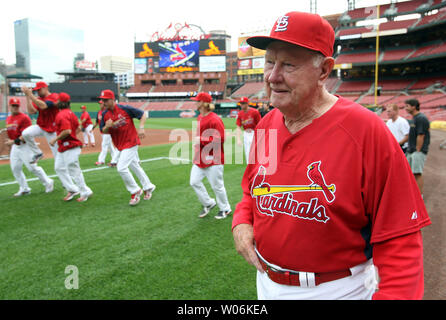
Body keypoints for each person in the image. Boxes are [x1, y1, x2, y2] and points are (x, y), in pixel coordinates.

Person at [232, 11, 430, 300]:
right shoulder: (267, 124)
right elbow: (252, 190)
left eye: (288, 64)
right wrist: (242, 220)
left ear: (324, 71)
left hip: (337, 290)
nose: (272, 76)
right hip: (266, 283)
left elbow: (400, 238)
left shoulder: (366, 131)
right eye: (270, 61)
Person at [99, 89, 155, 206]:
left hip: (131, 141)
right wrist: (108, 126)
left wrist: (141, 127)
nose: (103, 102)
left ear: (112, 99)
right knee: (135, 166)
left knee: (121, 167)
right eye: (102, 100)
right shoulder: (105, 114)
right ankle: (148, 186)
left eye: (106, 100)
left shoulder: (125, 108)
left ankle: (135, 191)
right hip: (120, 144)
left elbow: (142, 114)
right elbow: (102, 130)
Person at [190, 92, 231, 219]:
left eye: (197, 101)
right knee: (194, 181)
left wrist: (201, 140)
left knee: (217, 186)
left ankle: (225, 209)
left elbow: (220, 139)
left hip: (214, 158)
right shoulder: (200, 117)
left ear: (203, 103)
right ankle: (208, 203)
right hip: (200, 158)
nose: (195, 103)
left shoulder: (214, 119)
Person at [5, 97, 54, 197]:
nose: (15, 107)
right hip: (15, 146)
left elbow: (25, 135)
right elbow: (10, 133)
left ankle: (48, 182)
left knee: (32, 168)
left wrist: (13, 141)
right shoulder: (8, 118)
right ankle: (24, 188)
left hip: (25, 145)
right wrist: (12, 143)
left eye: (17, 106)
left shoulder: (24, 118)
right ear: (10, 106)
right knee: (15, 168)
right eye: (13, 106)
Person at [49, 92, 93, 202]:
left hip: (70, 146)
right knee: (59, 168)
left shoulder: (62, 114)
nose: (56, 103)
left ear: (63, 103)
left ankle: (85, 191)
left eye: (58, 101)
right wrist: (72, 136)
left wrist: (55, 139)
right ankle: (72, 189)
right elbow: (77, 128)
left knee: (73, 169)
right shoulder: (70, 113)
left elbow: (67, 131)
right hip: (64, 147)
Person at [21, 81, 59, 163]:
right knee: (26, 133)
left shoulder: (54, 96)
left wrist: (31, 95)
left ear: (46, 88)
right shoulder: (38, 99)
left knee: (57, 156)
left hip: (53, 129)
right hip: (41, 126)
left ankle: (65, 172)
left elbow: (44, 106)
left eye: (39, 90)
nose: (38, 92)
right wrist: (28, 97)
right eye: (37, 90)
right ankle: (38, 153)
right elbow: (31, 111)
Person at [405, 98, 431, 196]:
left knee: (417, 173)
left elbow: (421, 135)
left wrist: (417, 150)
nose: (405, 108)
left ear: (414, 106)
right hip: (411, 150)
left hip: (417, 151)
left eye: (407, 106)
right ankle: (413, 194)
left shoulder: (421, 118)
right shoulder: (414, 118)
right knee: (410, 174)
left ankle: (420, 196)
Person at [93, 100, 119, 167]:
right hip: (103, 132)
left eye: (101, 103)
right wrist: (93, 128)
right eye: (100, 104)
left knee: (104, 145)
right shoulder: (99, 112)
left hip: (108, 132)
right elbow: (97, 121)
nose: (100, 105)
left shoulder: (107, 112)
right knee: (110, 146)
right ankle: (115, 159)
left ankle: (101, 160)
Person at [236, 97, 261, 162]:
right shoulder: (240, 114)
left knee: (256, 153)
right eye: (241, 103)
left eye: (243, 103)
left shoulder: (255, 112)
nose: (241, 105)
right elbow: (238, 127)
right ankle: (249, 169)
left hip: (254, 134)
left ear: (247, 103)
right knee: (248, 153)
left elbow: (260, 125)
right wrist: (238, 139)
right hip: (246, 134)